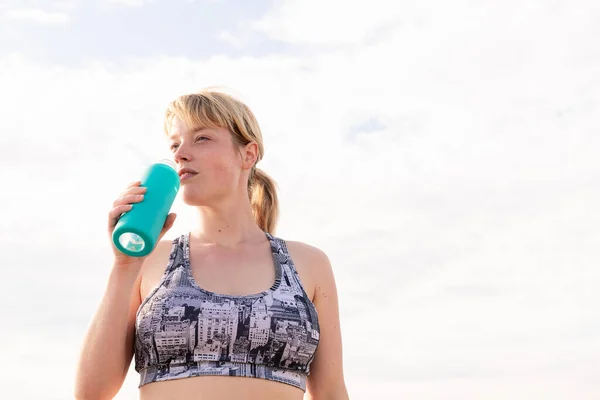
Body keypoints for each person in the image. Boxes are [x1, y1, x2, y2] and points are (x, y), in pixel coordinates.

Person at [75, 88, 349, 400]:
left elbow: (330, 392)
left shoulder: (308, 264)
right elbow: (91, 393)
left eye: (201, 138)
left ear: (248, 154)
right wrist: (124, 266)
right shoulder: (150, 259)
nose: (180, 154)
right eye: (175, 144)